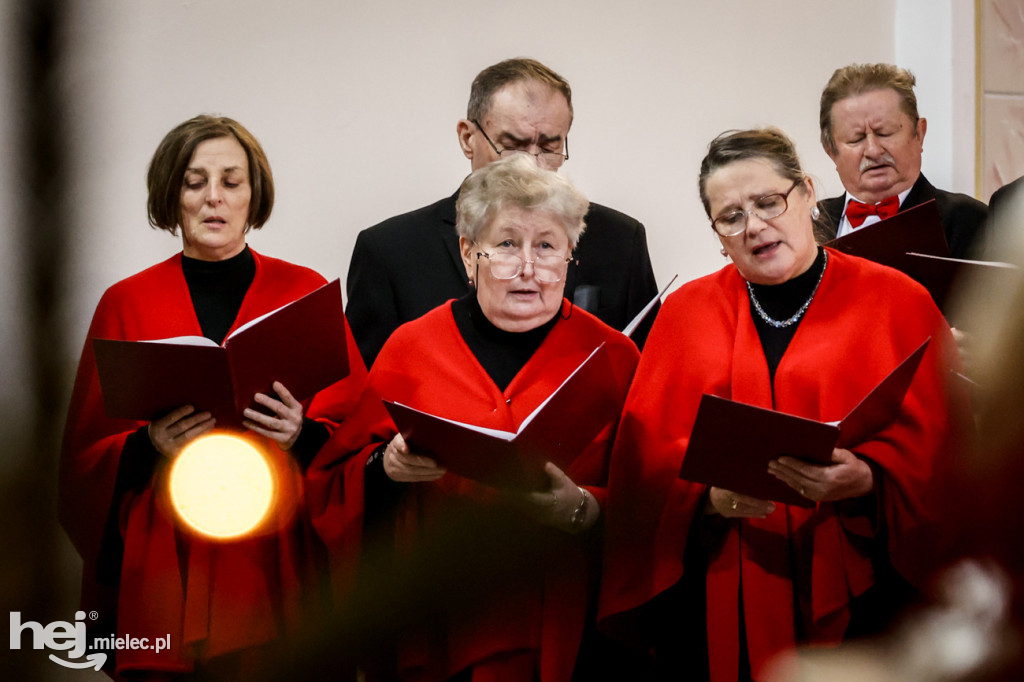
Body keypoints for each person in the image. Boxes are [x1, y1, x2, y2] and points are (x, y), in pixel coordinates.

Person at [598, 129, 966, 682]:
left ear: (808, 194)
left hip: (863, 590)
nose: (755, 226)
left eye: (769, 202)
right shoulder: (684, 314)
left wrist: (870, 478)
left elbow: (952, 453)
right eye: (731, 216)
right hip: (717, 586)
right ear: (718, 234)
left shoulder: (897, 301)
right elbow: (641, 466)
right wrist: (706, 498)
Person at [309, 154, 641, 681]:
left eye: (548, 246)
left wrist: (581, 509)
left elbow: (654, 508)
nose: (528, 268)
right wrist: (386, 468)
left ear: (570, 255)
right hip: (440, 624)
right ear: (469, 253)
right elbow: (333, 482)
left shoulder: (613, 358)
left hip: (571, 633)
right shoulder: (411, 347)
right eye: (507, 244)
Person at [59, 115, 367, 678]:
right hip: (167, 558)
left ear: (255, 194)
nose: (213, 199)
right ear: (170, 194)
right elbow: (83, 462)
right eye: (194, 181)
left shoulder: (303, 292)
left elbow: (357, 438)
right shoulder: (126, 302)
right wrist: (148, 444)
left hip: (279, 554)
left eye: (231, 180)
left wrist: (303, 433)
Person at [345, 57, 660, 367]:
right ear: (468, 138)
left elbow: (650, 383)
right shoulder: (389, 251)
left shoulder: (619, 240)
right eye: (513, 145)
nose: (531, 165)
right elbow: (357, 405)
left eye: (549, 147)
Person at [816, 63, 988, 259]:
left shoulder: (970, 221)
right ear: (831, 151)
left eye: (885, 132)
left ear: (919, 134)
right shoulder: (809, 226)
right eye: (856, 139)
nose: (873, 150)